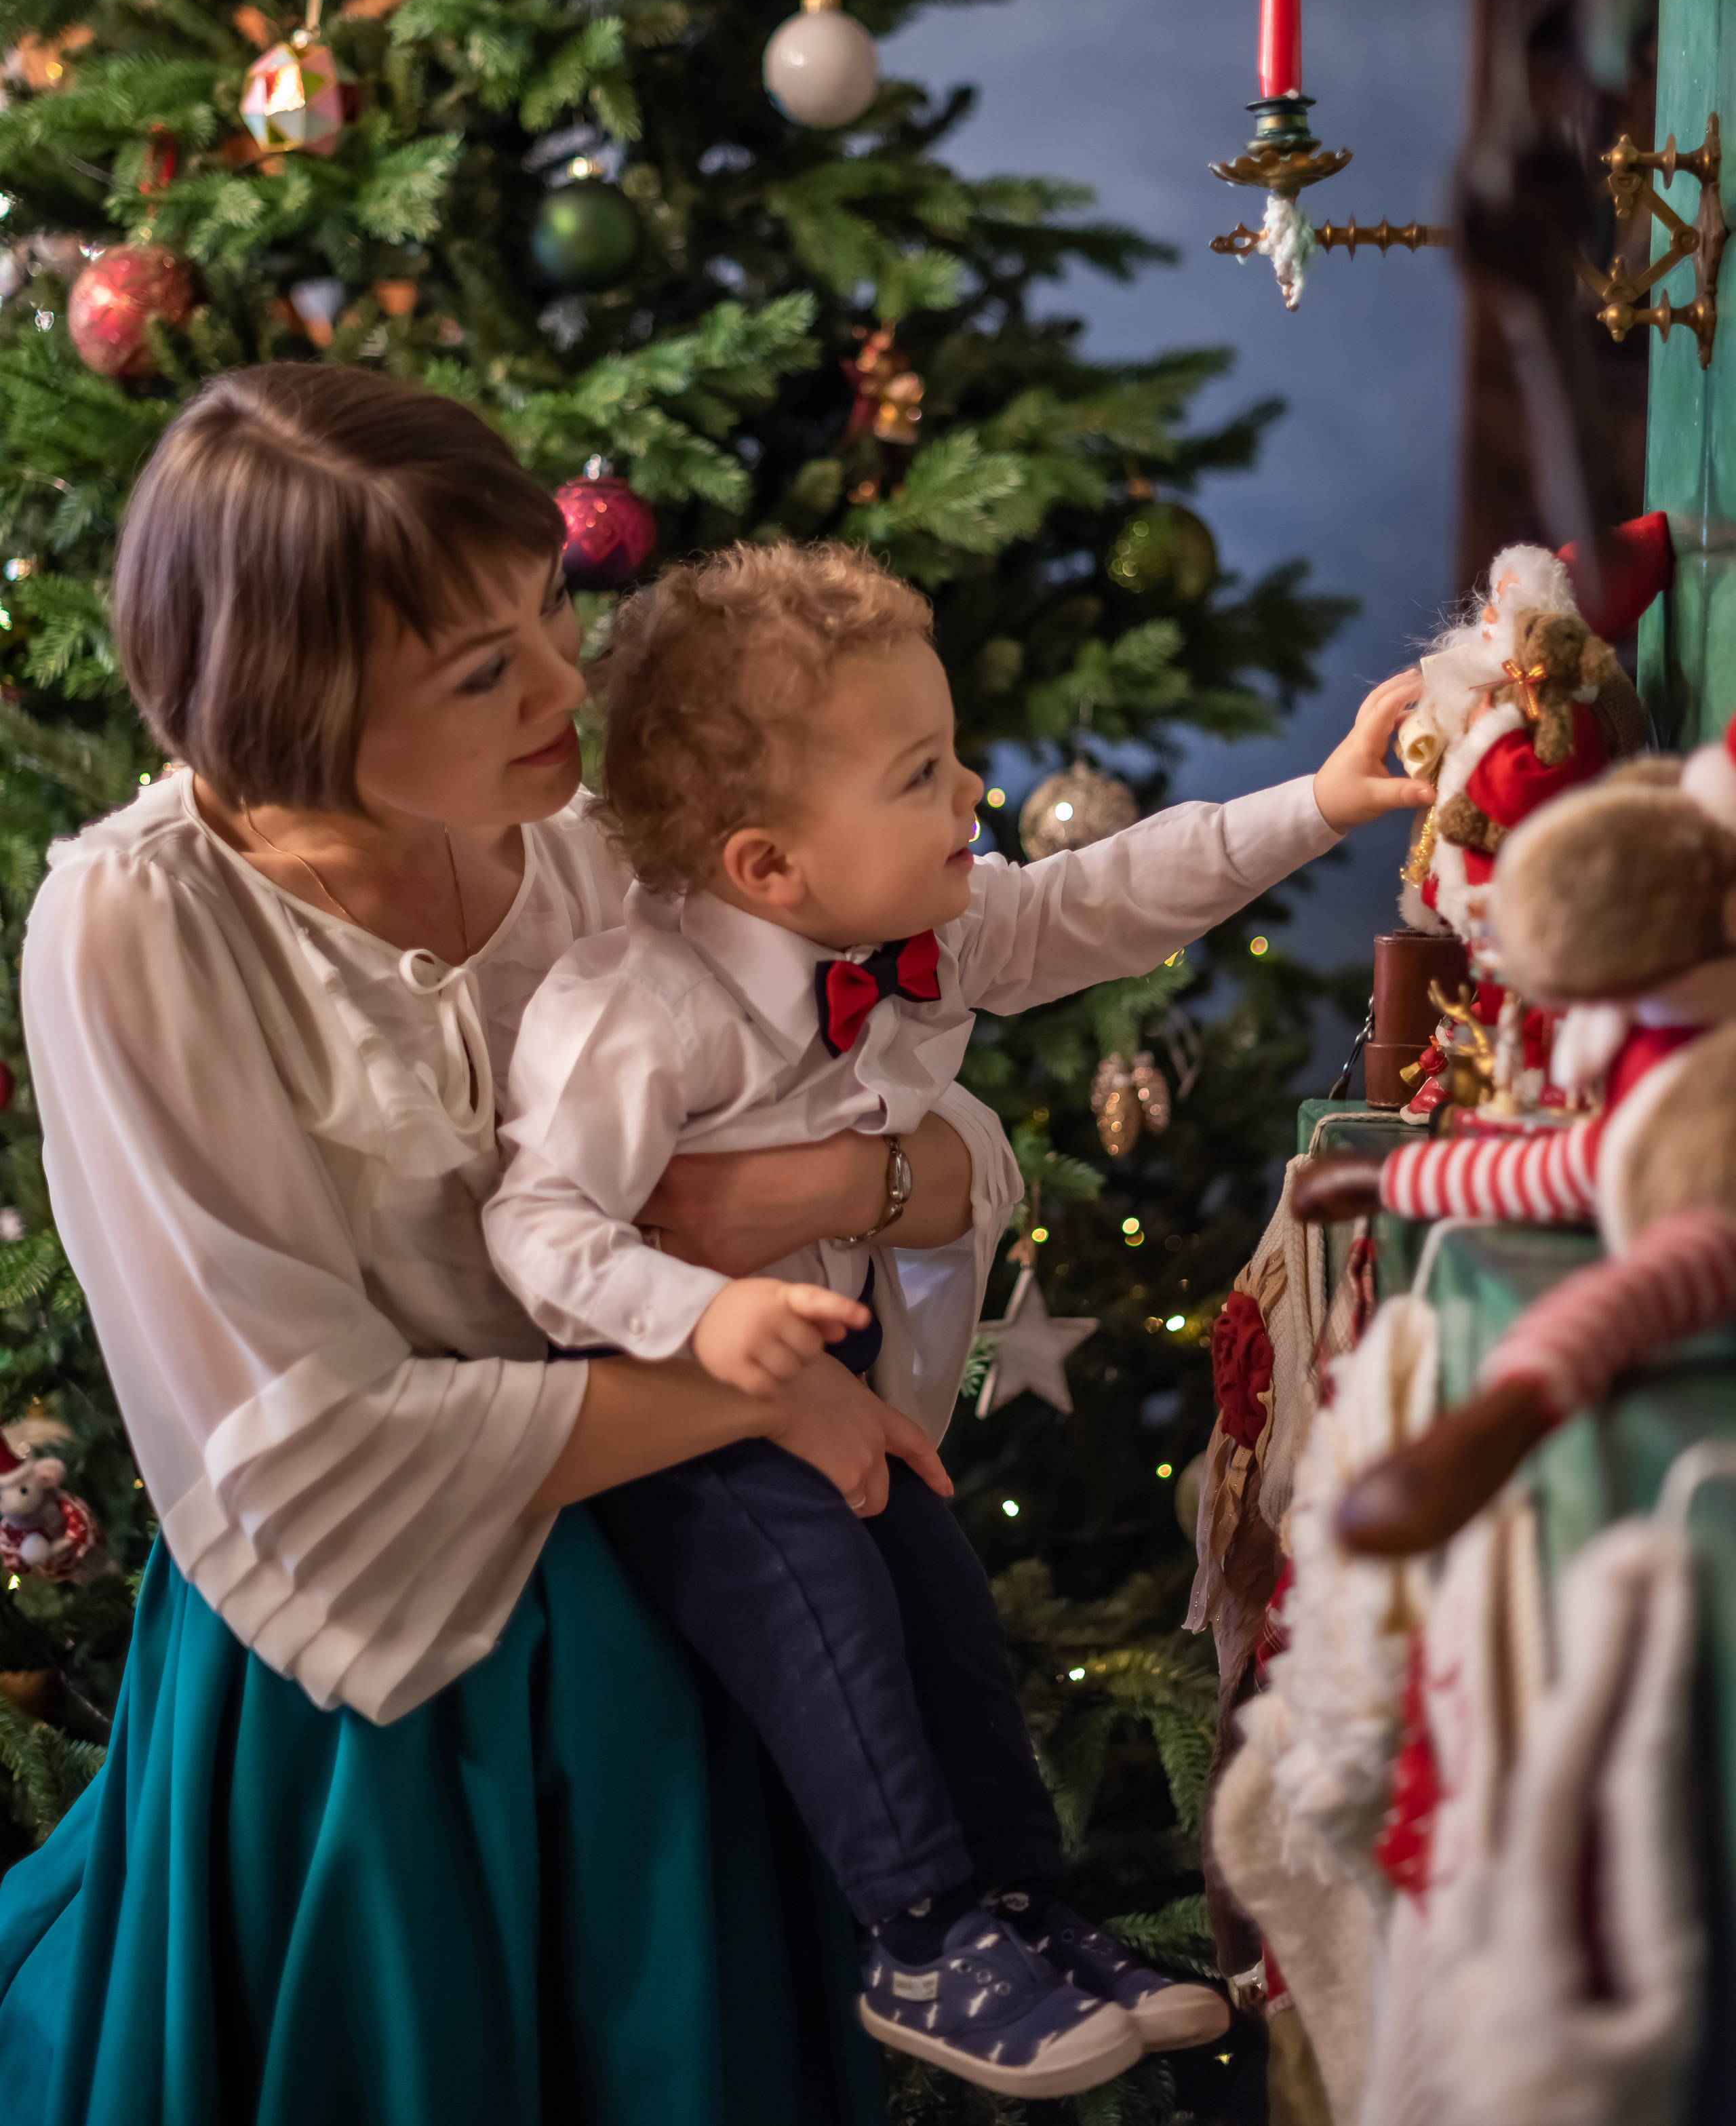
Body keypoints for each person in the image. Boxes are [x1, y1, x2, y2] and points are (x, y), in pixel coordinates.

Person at [0, 363, 1017, 2126]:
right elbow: (300, 1445)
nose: (570, 681)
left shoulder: (601, 833)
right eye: (483, 672)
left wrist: (818, 1198)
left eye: (552, 597)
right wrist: (760, 1391)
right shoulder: (134, 925)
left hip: (698, 1598)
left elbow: (937, 1138)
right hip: (377, 1682)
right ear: (292, 713)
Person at [483, 540, 1429, 2098]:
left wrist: (1312, 805)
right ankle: (918, 1928)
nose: (973, 793)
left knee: (941, 1608)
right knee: (838, 1627)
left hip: (830, 1381)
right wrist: (699, 1325)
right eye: (923, 773)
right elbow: (535, 1225)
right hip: (677, 1418)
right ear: (766, 866)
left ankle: (1024, 1907)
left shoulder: (918, 927)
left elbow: (1104, 895)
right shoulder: (631, 1012)